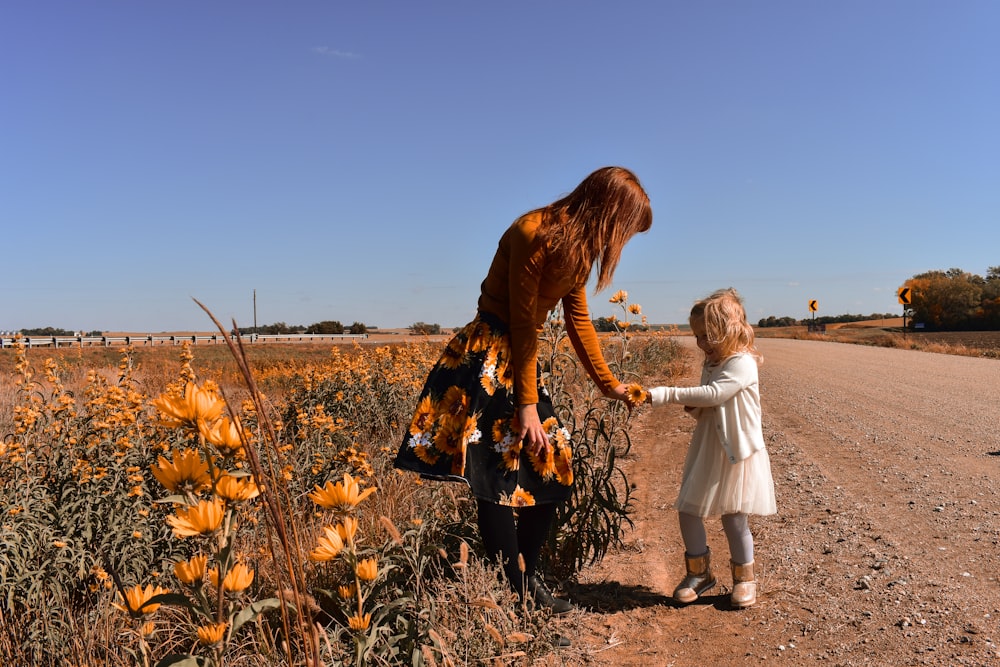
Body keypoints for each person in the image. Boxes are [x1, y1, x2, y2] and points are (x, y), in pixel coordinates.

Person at [394, 166, 652, 614]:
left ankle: (523, 582)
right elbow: (521, 322)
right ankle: (516, 592)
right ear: (609, 213)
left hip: (518, 360)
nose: (623, 241)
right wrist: (528, 407)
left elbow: (579, 321)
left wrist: (608, 384)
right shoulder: (534, 233)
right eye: (626, 229)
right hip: (489, 356)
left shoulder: (578, 250)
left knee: (553, 467)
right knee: (494, 477)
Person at [643, 288, 776, 608]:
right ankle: (699, 574)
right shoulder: (713, 361)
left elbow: (716, 394)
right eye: (697, 336)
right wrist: (694, 405)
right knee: (688, 509)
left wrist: (666, 394)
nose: (701, 343)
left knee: (734, 518)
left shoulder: (742, 363)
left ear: (728, 331)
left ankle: (745, 579)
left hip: (738, 452)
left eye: (706, 336)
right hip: (709, 446)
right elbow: (707, 398)